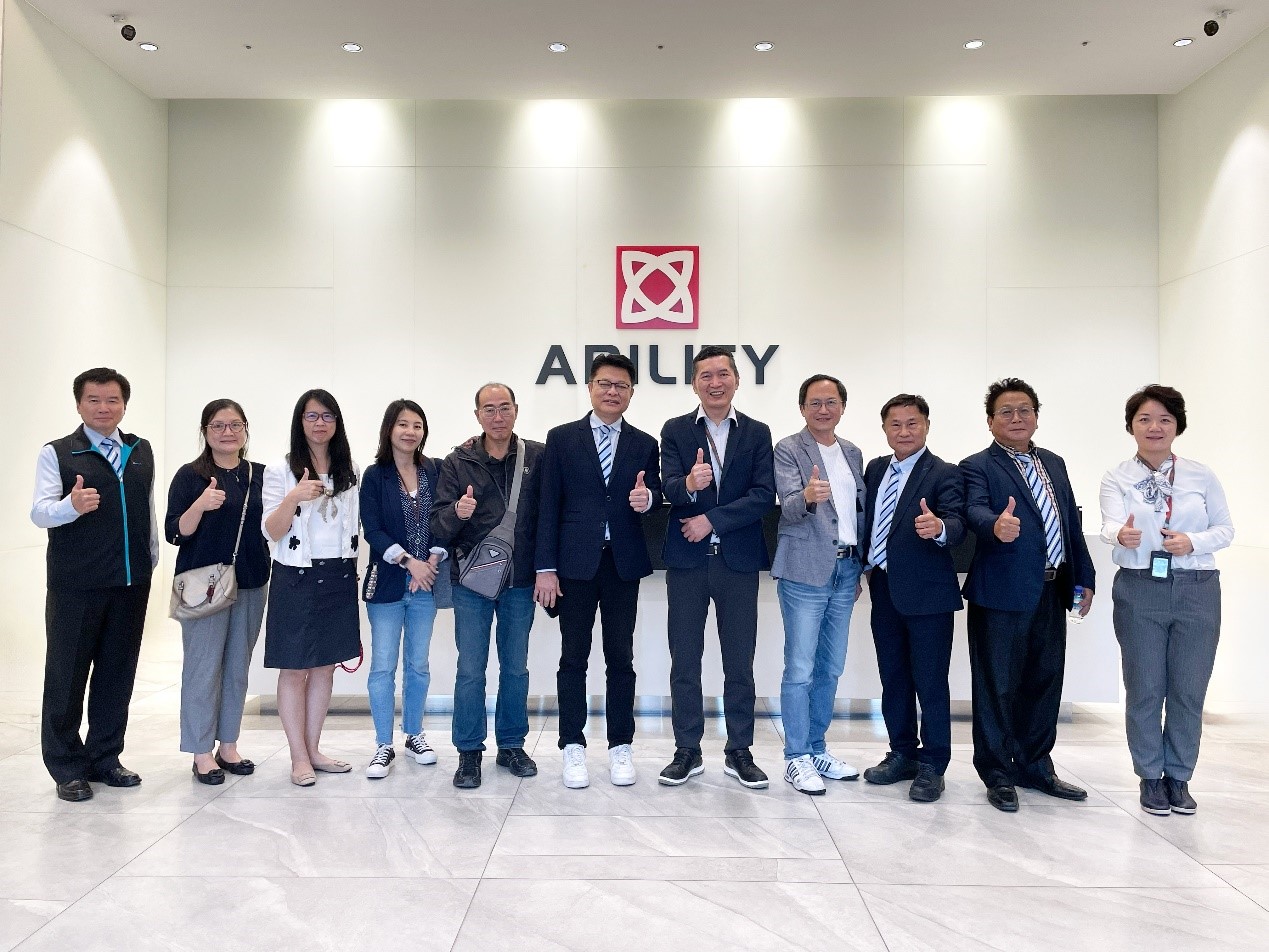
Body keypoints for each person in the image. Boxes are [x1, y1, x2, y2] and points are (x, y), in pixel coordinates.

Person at [961, 377, 1095, 813]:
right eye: (1006, 412)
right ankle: (998, 772)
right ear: (990, 421)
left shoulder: (1054, 462)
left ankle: (1036, 766)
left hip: (1052, 589)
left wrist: (1084, 576)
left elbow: (1069, 524)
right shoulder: (977, 465)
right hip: (1000, 591)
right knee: (997, 686)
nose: (1016, 418)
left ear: (1036, 417)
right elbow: (973, 509)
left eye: (1024, 410)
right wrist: (994, 525)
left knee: (1044, 680)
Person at [1099, 384, 1233, 816]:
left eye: (1164, 419)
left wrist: (1193, 541)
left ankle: (1179, 776)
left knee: (1188, 688)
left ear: (1177, 426)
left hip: (1197, 587)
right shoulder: (1117, 476)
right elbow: (1109, 524)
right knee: (1144, 688)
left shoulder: (1201, 475)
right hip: (1140, 586)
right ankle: (1150, 777)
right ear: (1131, 427)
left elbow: (1225, 529)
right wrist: (1120, 534)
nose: (1154, 427)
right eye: (1144, 419)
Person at [534, 354, 663, 789]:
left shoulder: (644, 443)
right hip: (574, 565)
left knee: (620, 658)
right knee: (573, 657)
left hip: (621, 564)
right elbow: (548, 505)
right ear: (590, 387)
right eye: (605, 383)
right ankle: (572, 744)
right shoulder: (562, 438)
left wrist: (648, 500)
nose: (612, 392)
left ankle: (620, 744)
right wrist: (545, 568)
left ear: (631, 393)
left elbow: (654, 494)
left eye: (621, 385)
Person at [30, 368, 158, 802]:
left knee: (116, 674)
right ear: (79, 404)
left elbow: (147, 509)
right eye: (94, 400)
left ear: (124, 404)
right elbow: (40, 512)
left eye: (112, 400)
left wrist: (149, 559)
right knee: (66, 676)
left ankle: (106, 758)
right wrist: (71, 505)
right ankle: (67, 767)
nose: (104, 408)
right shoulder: (59, 453)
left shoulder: (140, 450)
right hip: (76, 586)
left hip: (130, 582)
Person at [658, 345, 776, 789]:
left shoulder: (757, 432)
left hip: (738, 561)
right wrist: (689, 484)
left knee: (739, 662)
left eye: (723, 374)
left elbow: (763, 495)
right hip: (688, 561)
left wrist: (711, 520)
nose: (715, 382)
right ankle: (687, 750)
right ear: (695, 384)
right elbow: (668, 486)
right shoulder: (675, 430)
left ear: (736, 380)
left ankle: (739, 750)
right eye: (705, 375)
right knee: (685, 661)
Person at [431, 383, 544, 789]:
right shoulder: (457, 462)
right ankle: (468, 751)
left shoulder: (537, 457)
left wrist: (546, 569)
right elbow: (437, 523)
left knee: (515, 668)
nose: (498, 416)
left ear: (516, 410)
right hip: (471, 583)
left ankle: (511, 745)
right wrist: (457, 513)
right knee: (470, 669)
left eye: (504, 408)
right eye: (489, 409)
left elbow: (548, 515)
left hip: (520, 581)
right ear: (477, 415)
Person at [860, 394, 965, 802]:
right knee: (894, 678)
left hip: (929, 595)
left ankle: (933, 764)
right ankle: (902, 753)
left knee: (931, 683)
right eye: (895, 424)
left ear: (926, 426)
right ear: (884, 429)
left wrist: (940, 527)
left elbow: (957, 522)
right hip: (885, 589)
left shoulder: (945, 473)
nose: (904, 432)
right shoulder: (875, 469)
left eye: (912, 423)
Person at [165, 398, 270, 785]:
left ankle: (228, 745)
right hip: (202, 585)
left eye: (235, 425)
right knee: (203, 668)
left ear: (245, 430)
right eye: (218, 426)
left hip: (252, 580)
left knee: (237, 668)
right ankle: (200, 752)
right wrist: (200, 505)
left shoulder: (260, 475)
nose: (228, 432)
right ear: (205, 432)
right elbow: (175, 532)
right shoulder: (190, 475)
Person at [770, 374, 866, 796]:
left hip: (846, 570)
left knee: (831, 666)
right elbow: (788, 509)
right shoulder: (789, 448)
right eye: (814, 403)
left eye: (831, 402)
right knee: (800, 668)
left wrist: (861, 567)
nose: (823, 409)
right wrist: (807, 495)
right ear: (802, 408)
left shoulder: (852, 452)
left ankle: (817, 748)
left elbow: (858, 512)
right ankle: (796, 756)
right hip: (804, 571)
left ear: (842, 406)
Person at [262, 390, 362, 787]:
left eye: (327, 416)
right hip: (296, 576)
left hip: (338, 575)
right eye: (311, 416)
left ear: (337, 423)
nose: (320, 423)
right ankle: (298, 757)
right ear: (299, 422)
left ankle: (314, 749)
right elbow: (272, 531)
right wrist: (293, 497)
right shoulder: (280, 469)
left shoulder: (349, 469)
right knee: (293, 667)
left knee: (324, 667)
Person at [360, 399, 448, 779]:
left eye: (417, 425)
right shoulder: (375, 475)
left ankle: (414, 734)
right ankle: (383, 744)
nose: (410, 432)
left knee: (418, 665)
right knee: (383, 666)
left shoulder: (435, 470)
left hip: (426, 584)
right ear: (389, 429)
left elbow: (444, 520)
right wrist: (409, 562)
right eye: (403, 424)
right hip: (387, 585)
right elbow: (373, 529)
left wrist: (432, 560)